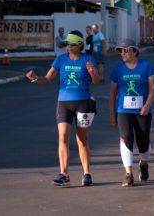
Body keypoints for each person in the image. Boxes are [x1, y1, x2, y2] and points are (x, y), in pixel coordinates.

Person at [26, 30, 101, 187]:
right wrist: (34, 79)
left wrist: (92, 72)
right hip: (64, 103)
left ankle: (87, 174)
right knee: (63, 138)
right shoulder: (60, 59)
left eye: (71, 44)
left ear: (80, 44)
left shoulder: (88, 59)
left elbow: (96, 81)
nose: (68, 46)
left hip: (83, 103)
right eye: (66, 44)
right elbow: (46, 79)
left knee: (82, 139)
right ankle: (64, 174)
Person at [109, 40, 154, 187]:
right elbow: (112, 93)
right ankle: (128, 174)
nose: (122, 53)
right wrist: (112, 113)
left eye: (125, 50)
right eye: (120, 51)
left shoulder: (146, 66)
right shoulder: (118, 69)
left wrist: (147, 106)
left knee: (143, 140)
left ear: (134, 51)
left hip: (142, 110)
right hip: (123, 110)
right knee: (126, 138)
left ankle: (143, 164)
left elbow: (153, 87)